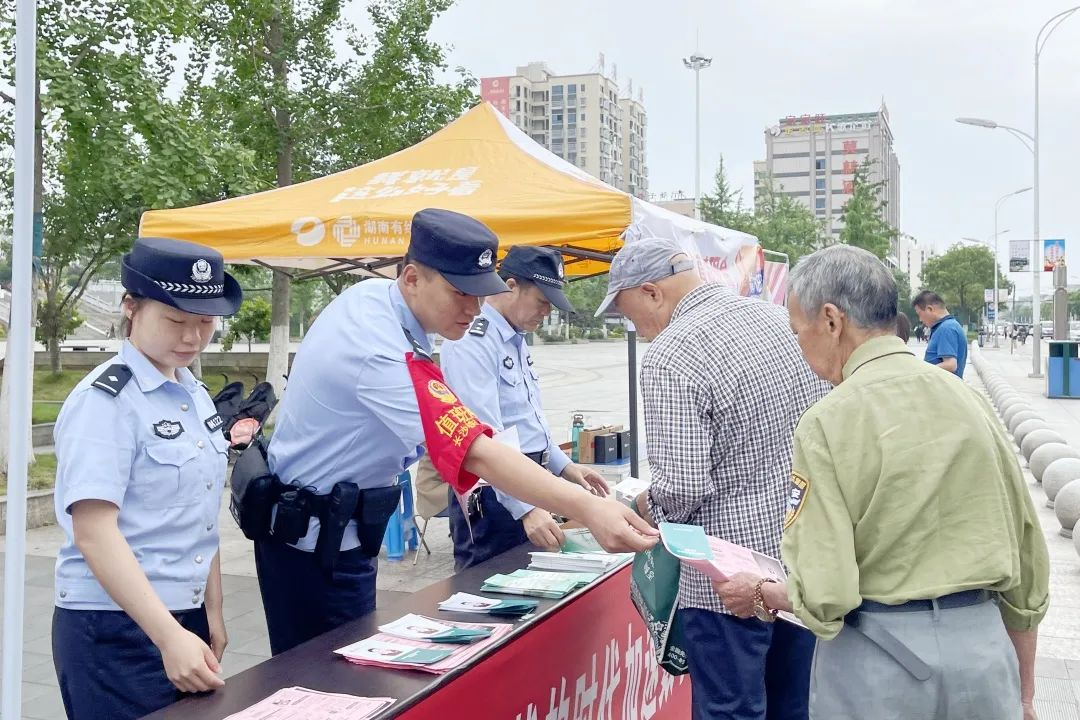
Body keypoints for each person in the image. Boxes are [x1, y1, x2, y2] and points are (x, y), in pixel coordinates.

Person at [250, 208, 656, 655]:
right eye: (460, 291)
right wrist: (587, 509)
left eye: (481, 293)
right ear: (411, 278)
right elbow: (475, 450)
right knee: (318, 684)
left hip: (343, 533)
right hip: (310, 545)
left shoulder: (383, 304)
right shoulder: (374, 344)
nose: (473, 306)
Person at [713, 245, 1050, 720]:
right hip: (984, 655)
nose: (798, 344)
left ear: (831, 321)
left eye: (797, 330)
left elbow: (827, 594)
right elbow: (1028, 568)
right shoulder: (968, 401)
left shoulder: (828, 421)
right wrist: (1026, 694)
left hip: (879, 662)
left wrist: (762, 593)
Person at [595, 238, 830, 720]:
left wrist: (644, 508)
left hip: (726, 579)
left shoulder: (670, 356)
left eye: (628, 311)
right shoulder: (777, 320)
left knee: (730, 708)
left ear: (652, 292)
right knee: (795, 704)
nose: (634, 328)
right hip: (801, 561)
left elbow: (682, 485)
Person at [51, 237, 241, 720]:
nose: (193, 338)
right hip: (114, 625)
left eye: (205, 321)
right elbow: (93, 532)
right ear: (131, 307)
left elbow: (200, 512)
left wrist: (211, 610)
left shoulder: (192, 391)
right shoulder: (106, 400)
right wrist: (168, 635)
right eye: (176, 320)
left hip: (184, 615)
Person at [440, 245, 609, 569]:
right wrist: (525, 507)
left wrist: (564, 467)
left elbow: (528, 418)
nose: (546, 313)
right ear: (510, 286)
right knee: (492, 591)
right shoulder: (473, 341)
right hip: (495, 491)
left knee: (532, 590)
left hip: (528, 478)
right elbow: (485, 438)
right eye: (541, 301)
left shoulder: (514, 337)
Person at [912, 290, 968, 376]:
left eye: (919, 314)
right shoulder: (948, 326)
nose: (920, 319)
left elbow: (951, 365)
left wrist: (922, 370)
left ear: (929, 309)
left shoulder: (946, 328)